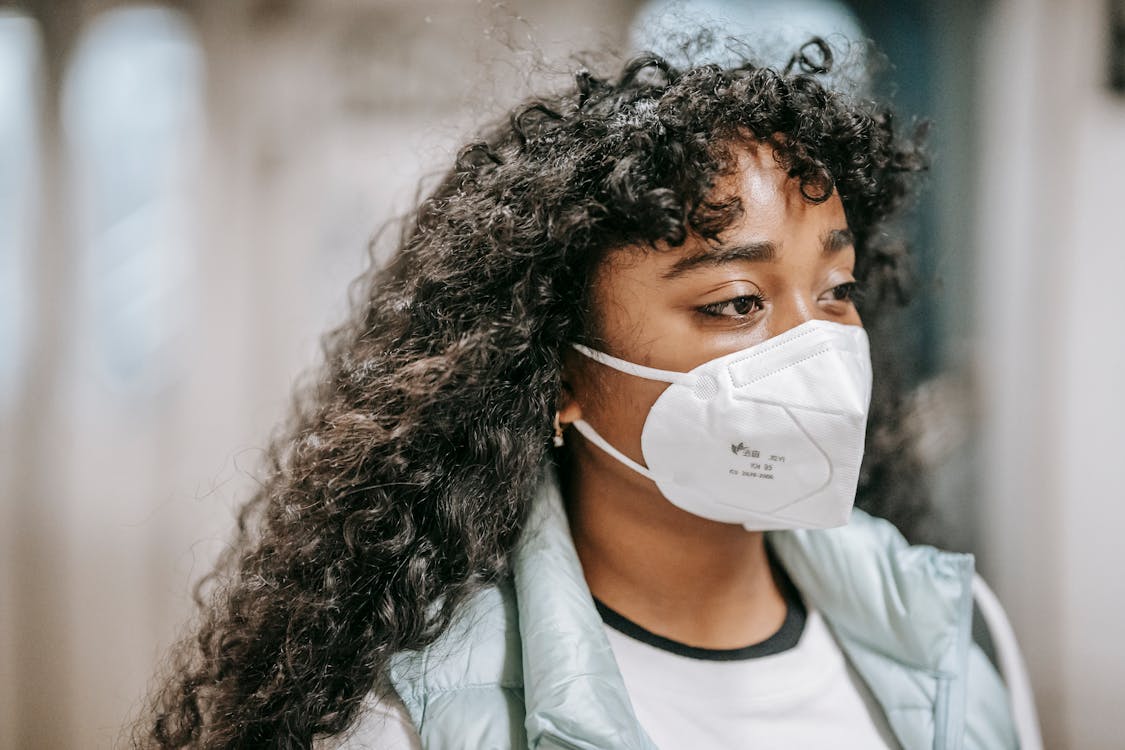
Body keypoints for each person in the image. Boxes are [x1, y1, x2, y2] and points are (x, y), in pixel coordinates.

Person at [136, 39, 1039, 749]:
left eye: (836, 290)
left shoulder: (947, 633)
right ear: (556, 375)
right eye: (735, 302)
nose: (818, 348)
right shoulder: (419, 721)